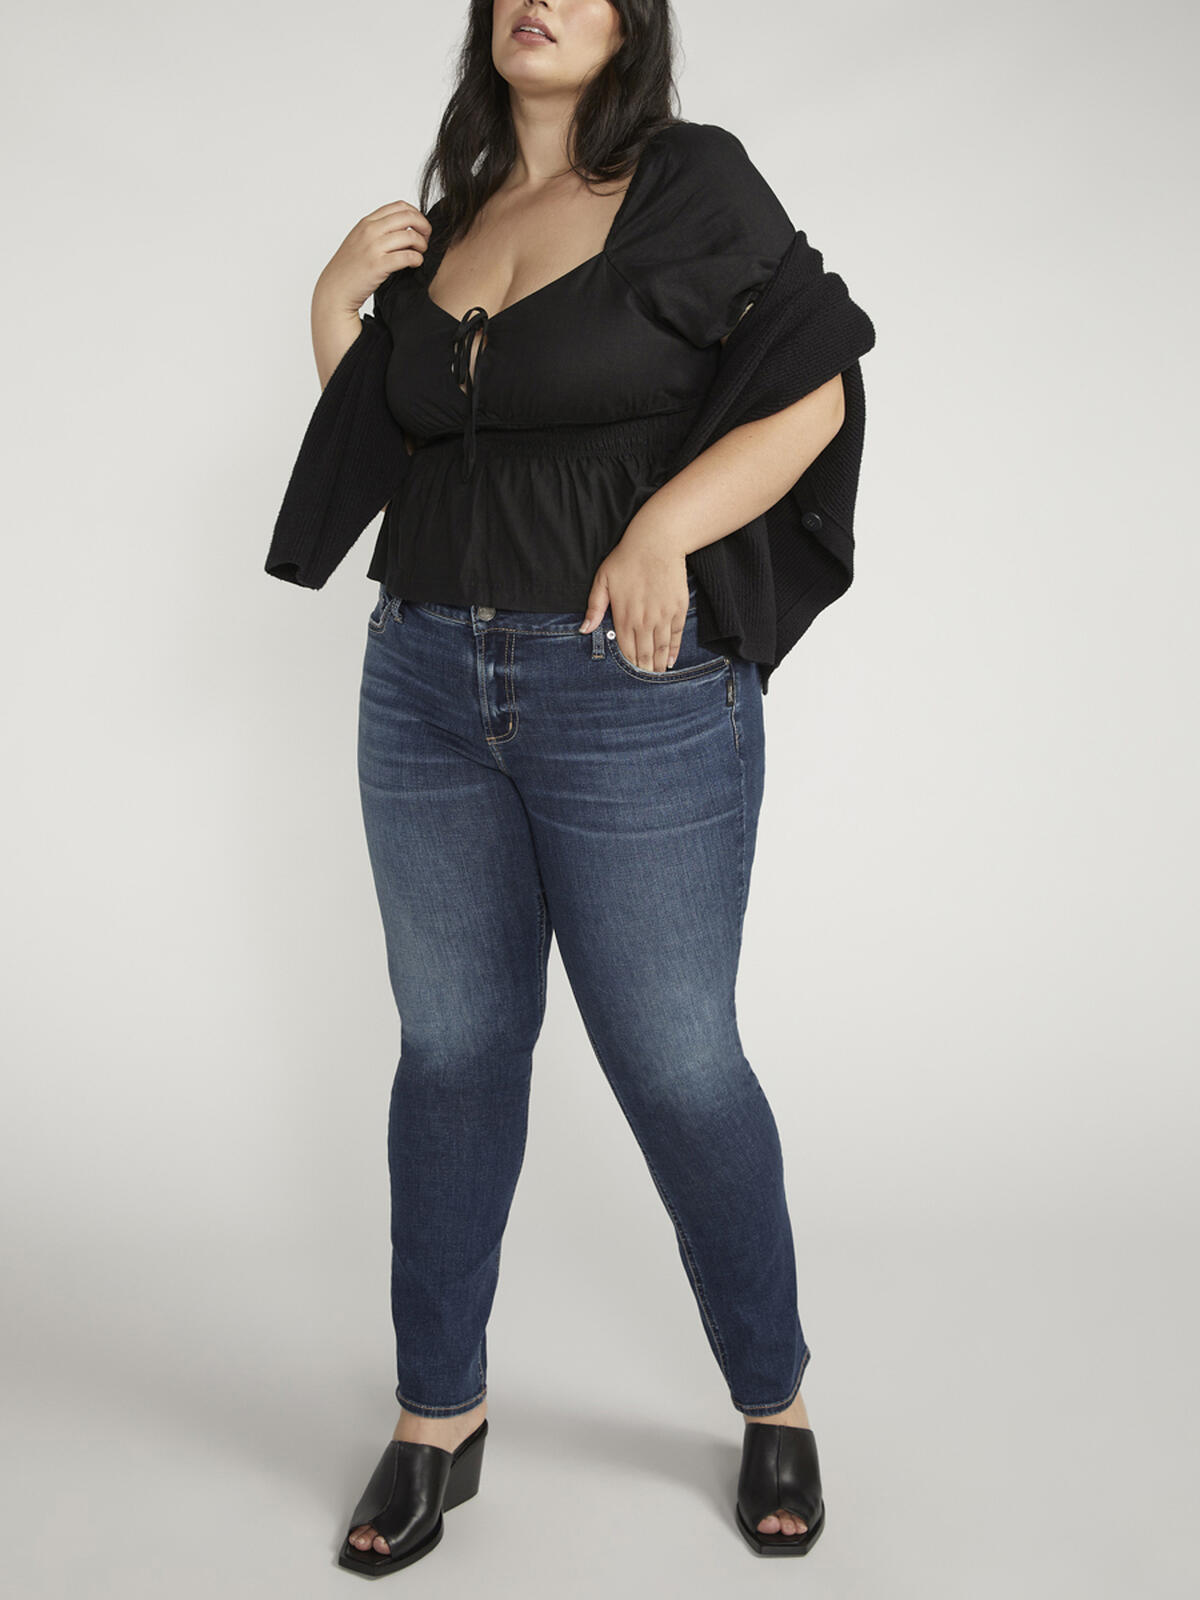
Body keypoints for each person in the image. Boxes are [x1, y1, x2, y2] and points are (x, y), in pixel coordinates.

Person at [313, 2, 860, 1574]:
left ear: (633, 20)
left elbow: (813, 389)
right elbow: (399, 451)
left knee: (678, 1064)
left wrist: (665, 528)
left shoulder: (689, 181)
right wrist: (338, 305)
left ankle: (774, 1395)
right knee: (451, 1056)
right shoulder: (461, 212)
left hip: (627, 689)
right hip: (422, 681)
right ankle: (438, 1416)